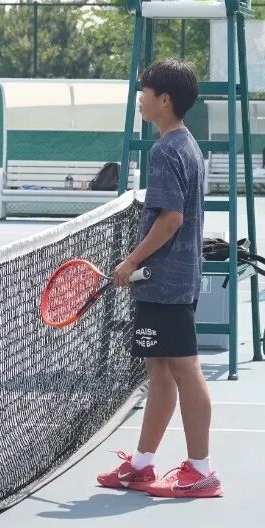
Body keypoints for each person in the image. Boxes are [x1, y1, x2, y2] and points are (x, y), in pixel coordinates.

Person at [97, 59, 224, 499]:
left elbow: (171, 219)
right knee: (160, 370)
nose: (140, 98)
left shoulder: (166, 150)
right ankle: (142, 464)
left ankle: (202, 470)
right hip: (170, 279)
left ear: (164, 99)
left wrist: (130, 261)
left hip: (166, 280)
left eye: (145, 91)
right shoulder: (187, 145)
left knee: (184, 368)